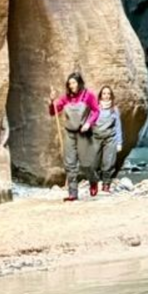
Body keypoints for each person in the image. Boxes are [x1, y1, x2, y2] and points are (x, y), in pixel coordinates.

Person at [47, 72, 99, 200]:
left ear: (79, 83)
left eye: (74, 83)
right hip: (70, 133)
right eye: (69, 83)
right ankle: (73, 193)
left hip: (83, 133)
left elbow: (96, 111)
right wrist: (52, 101)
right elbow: (53, 112)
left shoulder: (88, 95)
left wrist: (89, 123)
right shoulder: (66, 98)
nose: (71, 86)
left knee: (86, 164)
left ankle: (93, 180)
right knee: (70, 164)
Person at [92, 85, 125, 185]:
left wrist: (119, 143)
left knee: (108, 163)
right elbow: (90, 122)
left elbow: (118, 126)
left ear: (111, 96)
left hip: (110, 139)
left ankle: (106, 184)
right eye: (104, 93)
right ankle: (94, 183)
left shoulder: (114, 110)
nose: (106, 96)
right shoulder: (95, 108)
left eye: (108, 94)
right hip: (96, 138)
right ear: (100, 96)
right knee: (94, 163)